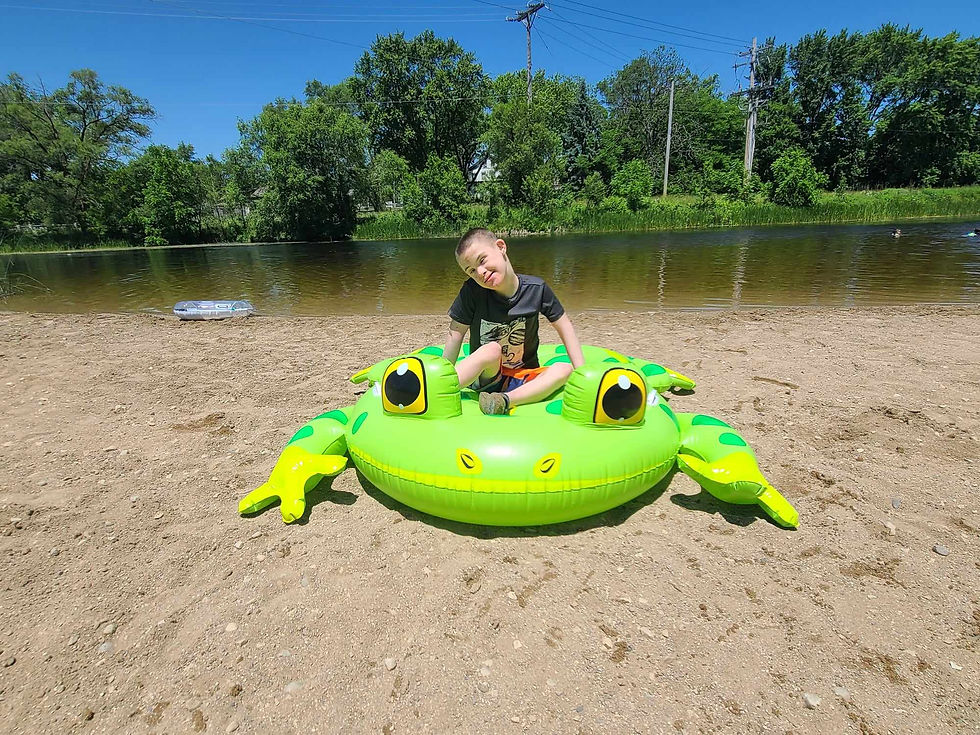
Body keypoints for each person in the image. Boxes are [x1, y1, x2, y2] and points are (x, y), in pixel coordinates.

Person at [442, 227, 585, 415]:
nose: (480, 272)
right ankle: (441, 389)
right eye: (471, 271)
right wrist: (442, 374)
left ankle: (503, 401)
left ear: (501, 247)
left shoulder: (537, 289)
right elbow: (455, 334)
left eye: (482, 261)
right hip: (486, 375)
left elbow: (564, 325)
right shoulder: (472, 292)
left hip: (522, 378)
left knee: (564, 369)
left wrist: (583, 373)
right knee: (492, 349)